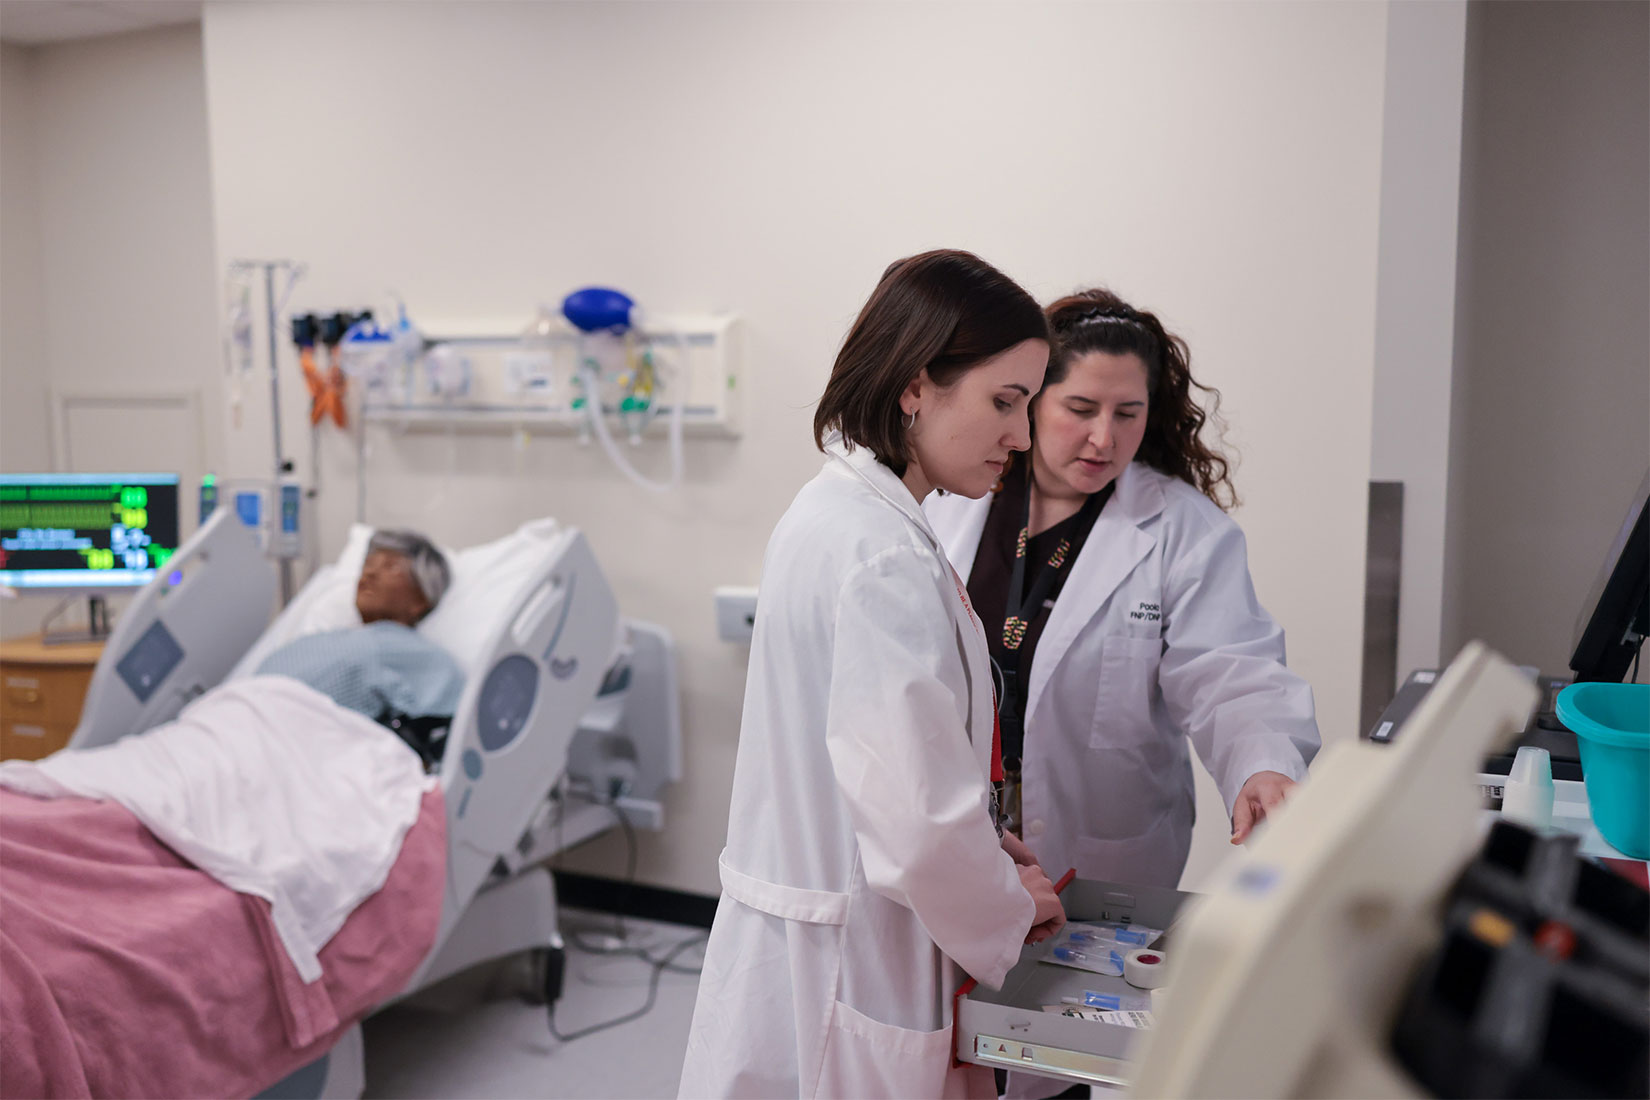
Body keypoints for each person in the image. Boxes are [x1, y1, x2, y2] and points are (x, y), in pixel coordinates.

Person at [678, 251, 1067, 1100]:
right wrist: (1007, 905)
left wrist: (977, 843)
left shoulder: (841, 514)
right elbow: (919, 829)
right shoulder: (880, 554)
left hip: (823, 936)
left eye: (1028, 405)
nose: (1023, 435)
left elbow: (877, 772)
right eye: (1005, 401)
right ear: (915, 386)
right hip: (849, 965)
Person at [927, 287, 1322, 892]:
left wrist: (1262, 767)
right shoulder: (951, 499)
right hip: (952, 837)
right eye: (1081, 409)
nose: (1104, 439)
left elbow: (1230, 674)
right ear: (1032, 402)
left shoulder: (1183, 531)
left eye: (1127, 413)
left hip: (1103, 858)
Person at [256, 530, 465, 727]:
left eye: (391, 567)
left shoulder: (419, 655)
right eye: (368, 564)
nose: (370, 573)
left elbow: (442, 725)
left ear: (422, 597)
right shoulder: (318, 638)